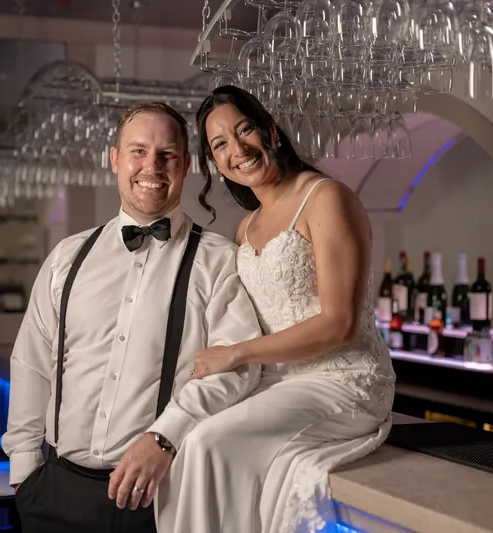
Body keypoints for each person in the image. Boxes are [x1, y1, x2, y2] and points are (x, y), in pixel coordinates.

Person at [1, 102, 264, 533]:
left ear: (186, 165)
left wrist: (165, 437)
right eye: (138, 151)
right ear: (115, 159)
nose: (152, 166)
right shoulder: (67, 257)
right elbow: (32, 361)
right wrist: (24, 469)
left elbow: (238, 368)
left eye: (166, 154)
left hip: (160, 498)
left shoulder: (219, 263)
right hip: (54, 492)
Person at [155, 86, 396, 533]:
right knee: (186, 439)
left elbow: (340, 323)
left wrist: (236, 354)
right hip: (278, 385)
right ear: (213, 163)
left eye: (243, 129)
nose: (237, 149)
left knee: (209, 443)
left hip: (343, 380)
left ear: (270, 131)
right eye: (220, 144)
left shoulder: (325, 197)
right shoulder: (247, 227)